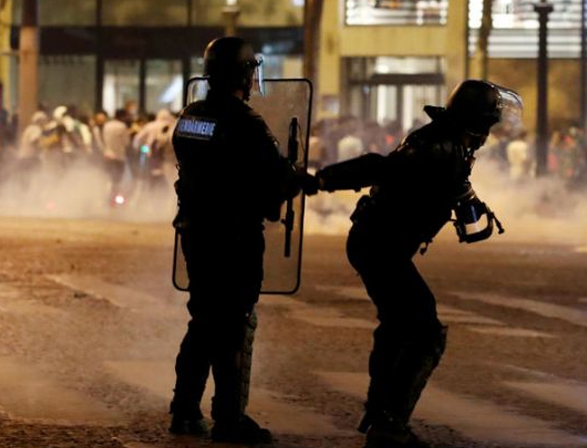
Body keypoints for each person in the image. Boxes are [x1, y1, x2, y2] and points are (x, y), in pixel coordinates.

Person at [310, 80, 521, 448]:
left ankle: (378, 413)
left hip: (379, 242)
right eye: (490, 123)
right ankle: (389, 424)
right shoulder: (437, 147)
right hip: (381, 245)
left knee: (395, 326)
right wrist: (322, 180)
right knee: (424, 331)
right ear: (478, 122)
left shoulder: (449, 142)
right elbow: (379, 167)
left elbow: (447, 191)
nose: (490, 133)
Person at [170, 36, 304, 444]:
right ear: (245, 75)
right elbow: (276, 179)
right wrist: (296, 176)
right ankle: (229, 418)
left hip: (197, 232)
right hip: (234, 237)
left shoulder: (190, 116)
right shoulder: (247, 123)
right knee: (231, 326)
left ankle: (185, 409)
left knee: (204, 322)